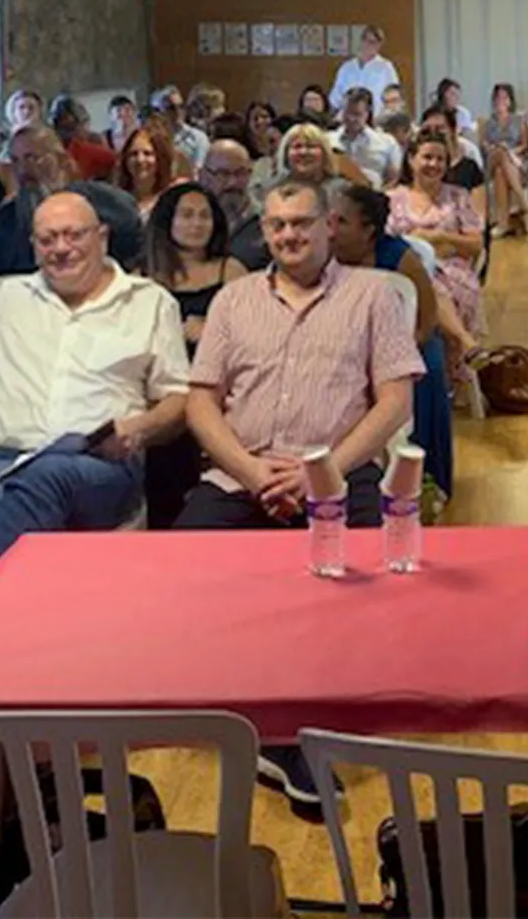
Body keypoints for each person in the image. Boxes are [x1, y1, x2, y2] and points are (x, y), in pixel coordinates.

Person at [179, 177, 421, 812]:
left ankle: (296, 725)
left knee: (364, 575)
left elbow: (395, 400)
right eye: (278, 225)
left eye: (302, 224)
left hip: (337, 471)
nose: (289, 236)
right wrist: (252, 472)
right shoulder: (234, 301)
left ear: (328, 227)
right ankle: (260, 717)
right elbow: (201, 402)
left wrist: (323, 472)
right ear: (265, 231)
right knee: (184, 563)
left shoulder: (372, 295)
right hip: (243, 472)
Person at [0, 193, 189, 596]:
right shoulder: (10, 297)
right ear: (33, 246)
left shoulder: (149, 302)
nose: (60, 248)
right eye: (47, 239)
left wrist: (139, 427)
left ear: (102, 237)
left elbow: (178, 398)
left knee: (43, 480)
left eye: (74, 235)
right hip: (6, 462)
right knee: (22, 509)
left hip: (100, 465)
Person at [331, 184, 454, 506]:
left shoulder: (400, 257)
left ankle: (425, 479)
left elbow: (427, 319)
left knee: (425, 370)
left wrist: (392, 359)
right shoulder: (323, 255)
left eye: (342, 222)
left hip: (407, 341)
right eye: (329, 220)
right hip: (346, 344)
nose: (331, 229)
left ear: (368, 229)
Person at [143, 182, 245, 528]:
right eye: (186, 215)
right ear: (167, 221)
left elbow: (253, 335)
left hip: (216, 387)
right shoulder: (143, 275)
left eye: (204, 216)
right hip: (159, 390)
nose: (197, 224)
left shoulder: (231, 271)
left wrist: (213, 331)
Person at [388, 131, 485, 379]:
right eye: (427, 157)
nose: (434, 164)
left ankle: (445, 369)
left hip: (452, 271)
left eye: (440, 159)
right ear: (411, 159)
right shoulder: (392, 198)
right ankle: (465, 341)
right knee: (422, 282)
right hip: (403, 272)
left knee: (434, 285)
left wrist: (442, 237)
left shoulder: (458, 196)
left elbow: (476, 245)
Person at [0, 123, 71, 278]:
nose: (22, 169)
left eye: (32, 158)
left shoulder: (96, 206)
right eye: (15, 160)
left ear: (61, 160)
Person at [199, 138, 270, 270]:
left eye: (240, 173)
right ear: (203, 176)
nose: (232, 182)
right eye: (222, 174)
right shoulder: (189, 221)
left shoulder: (267, 223)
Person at [481, 82, 528, 236]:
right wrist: (500, 149)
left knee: (500, 172)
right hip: (492, 159)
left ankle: (503, 224)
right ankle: (522, 199)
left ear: (510, 101)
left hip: (514, 162)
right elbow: (484, 144)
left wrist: (510, 151)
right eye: (498, 97)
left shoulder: (519, 120)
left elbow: (525, 145)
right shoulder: (488, 122)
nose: (501, 101)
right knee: (500, 152)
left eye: (505, 97)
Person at [332, 86, 403, 188]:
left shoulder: (386, 142)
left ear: (367, 113)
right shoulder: (329, 140)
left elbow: (394, 178)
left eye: (357, 114)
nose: (351, 118)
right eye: (347, 112)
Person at [113, 120, 178, 220]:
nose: (140, 160)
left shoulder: (174, 201)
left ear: (161, 158)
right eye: (134, 154)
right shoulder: (114, 200)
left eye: (147, 153)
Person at [329, 25, 402, 113]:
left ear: (379, 45)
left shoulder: (386, 67)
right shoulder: (347, 68)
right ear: (361, 41)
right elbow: (336, 97)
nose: (370, 45)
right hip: (350, 117)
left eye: (374, 42)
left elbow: (394, 97)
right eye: (367, 41)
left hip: (377, 117)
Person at [50, 94, 117, 182]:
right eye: (60, 120)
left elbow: (114, 161)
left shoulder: (90, 144)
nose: (64, 123)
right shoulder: (49, 149)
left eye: (66, 118)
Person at [149, 84, 210, 172]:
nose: (178, 111)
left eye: (181, 106)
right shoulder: (151, 138)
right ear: (159, 112)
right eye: (171, 108)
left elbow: (199, 170)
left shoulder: (199, 138)